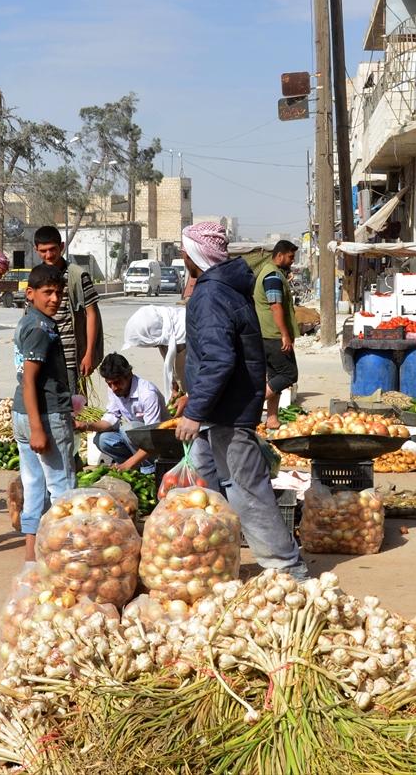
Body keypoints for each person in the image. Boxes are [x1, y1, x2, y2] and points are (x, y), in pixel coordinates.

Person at [174, 221, 308, 580]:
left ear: (195, 255)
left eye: (185, 251)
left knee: (248, 491)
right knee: (204, 492)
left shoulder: (212, 295)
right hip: (218, 410)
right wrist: (193, 396)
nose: (183, 256)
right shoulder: (224, 289)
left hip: (227, 413)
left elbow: (220, 358)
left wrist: (197, 409)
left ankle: (289, 570)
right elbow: (217, 355)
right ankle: (212, 561)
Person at [13, 263, 76, 561]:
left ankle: (31, 555)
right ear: (31, 293)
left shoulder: (29, 322)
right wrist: (38, 427)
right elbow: (30, 380)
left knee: (33, 484)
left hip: (26, 414)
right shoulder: (40, 328)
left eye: (59, 293)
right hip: (44, 415)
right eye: (47, 292)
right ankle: (66, 555)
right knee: (62, 486)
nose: (55, 299)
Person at [33, 225, 101, 392]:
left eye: (52, 249)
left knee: (74, 408)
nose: (48, 255)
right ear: (36, 250)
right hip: (42, 355)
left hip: (70, 358)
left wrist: (89, 354)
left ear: (62, 247)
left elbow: (91, 314)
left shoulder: (77, 275)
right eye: (43, 251)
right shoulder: (35, 276)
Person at [77, 353, 164, 475]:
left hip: (159, 446)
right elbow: (110, 420)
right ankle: (133, 467)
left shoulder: (148, 393)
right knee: (102, 439)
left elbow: (154, 437)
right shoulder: (114, 390)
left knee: (128, 429)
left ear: (128, 375)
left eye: (117, 383)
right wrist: (85, 425)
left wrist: (128, 465)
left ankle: (149, 469)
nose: (113, 388)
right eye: (109, 384)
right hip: (138, 443)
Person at [253, 239, 301, 429]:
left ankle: (271, 419)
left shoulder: (274, 273)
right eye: (290, 257)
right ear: (279, 255)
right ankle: (252, 403)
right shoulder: (272, 276)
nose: (292, 261)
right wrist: (284, 335)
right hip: (273, 335)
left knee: (275, 376)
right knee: (289, 374)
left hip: (268, 334)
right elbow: (275, 306)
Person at [122, 304, 187, 395]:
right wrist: (174, 386)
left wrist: (188, 398)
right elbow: (172, 366)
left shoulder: (183, 333)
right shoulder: (164, 335)